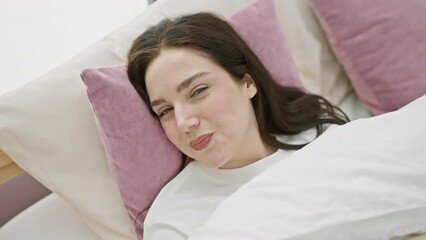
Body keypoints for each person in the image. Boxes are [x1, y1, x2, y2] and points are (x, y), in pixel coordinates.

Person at [127, 12, 348, 239]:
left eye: (198, 91)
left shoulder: (321, 138)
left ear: (247, 83)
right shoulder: (172, 221)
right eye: (165, 111)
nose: (184, 123)